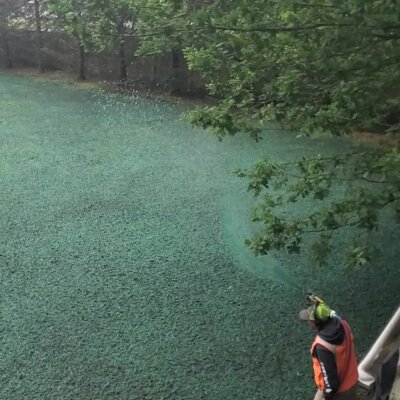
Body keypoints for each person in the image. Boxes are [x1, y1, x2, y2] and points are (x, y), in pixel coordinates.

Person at [299, 295, 359, 400]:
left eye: (309, 319)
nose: (308, 322)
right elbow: (333, 314)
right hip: (352, 380)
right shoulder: (343, 324)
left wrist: (327, 397)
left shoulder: (322, 347)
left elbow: (331, 383)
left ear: (315, 322)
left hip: (340, 392)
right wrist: (316, 300)